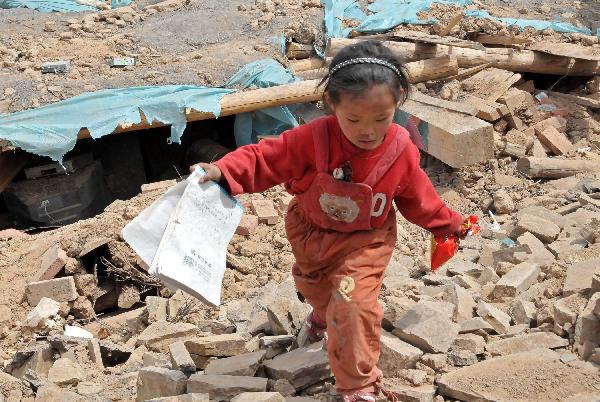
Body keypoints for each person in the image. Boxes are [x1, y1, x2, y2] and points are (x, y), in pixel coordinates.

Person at [191, 40, 464, 402]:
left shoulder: (400, 150)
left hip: (366, 241)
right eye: (353, 119)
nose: (367, 130)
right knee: (318, 291)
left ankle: (359, 386)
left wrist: (452, 225)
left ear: (397, 102)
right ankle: (322, 316)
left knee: (352, 303)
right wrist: (223, 170)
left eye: (381, 119)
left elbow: (420, 199)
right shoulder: (312, 139)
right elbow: (266, 158)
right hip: (311, 233)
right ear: (332, 104)